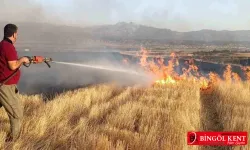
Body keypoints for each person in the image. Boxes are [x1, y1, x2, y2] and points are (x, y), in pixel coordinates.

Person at [0, 24, 29, 141]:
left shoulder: (3, 45)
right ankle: (13, 141)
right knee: (16, 115)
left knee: (18, 110)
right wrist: (22, 59)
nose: (17, 36)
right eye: (17, 33)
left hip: (7, 86)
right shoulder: (8, 47)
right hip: (6, 87)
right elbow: (12, 66)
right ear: (13, 34)